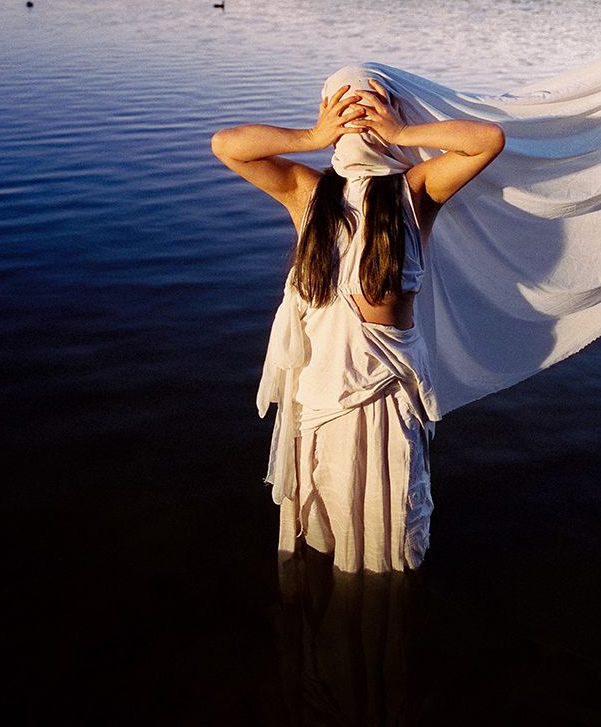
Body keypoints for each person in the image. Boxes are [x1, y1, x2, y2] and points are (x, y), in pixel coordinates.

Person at [211, 64, 505, 573]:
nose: (359, 119)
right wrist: (313, 135)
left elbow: (486, 139)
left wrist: (401, 133)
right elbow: (226, 144)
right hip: (321, 392)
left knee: (388, 522)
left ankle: (383, 613)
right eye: (345, 106)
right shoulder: (308, 193)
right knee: (324, 511)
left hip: (386, 390)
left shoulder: (415, 192)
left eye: (369, 105)